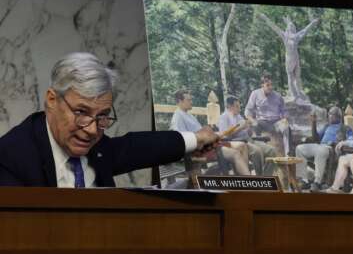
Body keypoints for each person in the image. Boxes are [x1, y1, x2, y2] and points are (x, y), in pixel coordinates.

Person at [0, 52, 219, 187]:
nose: (92, 130)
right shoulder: (11, 157)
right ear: (52, 99)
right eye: (81, 112)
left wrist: (197, 139)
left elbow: (137, 147)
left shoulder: (98, 149)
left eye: (102, 116)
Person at [171, 90, 251, 176]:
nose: (191, 102)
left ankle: (240, 176)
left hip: (210, 143)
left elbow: (200, 132)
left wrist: (213, 134)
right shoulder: (178, 117)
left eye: (191, 99)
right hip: (201, 149)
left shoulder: (189, 115)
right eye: (189, 100)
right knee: (235, 153)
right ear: (180, 101)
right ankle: (248, 180)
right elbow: (182, 140)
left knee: (242, 145)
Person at [258, 13, 319, 102]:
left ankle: (298, 93)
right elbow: (274, 27)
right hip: (291, 59)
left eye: (292, 26)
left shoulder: (294, 36)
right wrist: (265, 18)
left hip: (295, 58)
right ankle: (294, 95)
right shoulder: (286, 36)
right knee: (291, 76)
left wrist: (313, 23)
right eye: (290, 26)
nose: (291, 27)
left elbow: (305, 30)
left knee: (296, 77)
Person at [295, 106, 353, 192]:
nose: (329, 116)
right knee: (299, 148)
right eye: (329, 114)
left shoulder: (345, 128)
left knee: (321, 150)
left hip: (330, 149)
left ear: (338, 117)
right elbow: (315, 138)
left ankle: (317, 182)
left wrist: (338, 143)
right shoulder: (327, 126)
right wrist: (313, 123)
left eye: (331, 114)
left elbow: (351, 140)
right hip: (319, 146)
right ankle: (304, 180)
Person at [218, 96, 276, 176]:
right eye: (237, 106)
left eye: (239, 106)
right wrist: (240, 128)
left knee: (272, 150)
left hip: (249, 140)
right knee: (257, 151)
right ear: (229, 107)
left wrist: (249, 128)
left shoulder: (238, 116)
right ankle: (260, 178)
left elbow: (249, 134)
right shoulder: (224, 117)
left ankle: (266, 176)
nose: (239, 109)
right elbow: (224, 135)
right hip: (239, 143)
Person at [244, 73, 290, 156]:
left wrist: (285, 118)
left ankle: (287, 153)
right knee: (255, 125)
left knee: (286, 127)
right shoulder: (255, 94)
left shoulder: (278, 96)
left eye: (271, 85)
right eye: (268, 85)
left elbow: (284, 111)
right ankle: (259, 151)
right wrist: (252, 120)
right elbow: (248, 110)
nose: (270, 87)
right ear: (262, 85)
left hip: (276, 122)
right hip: (262, 122)